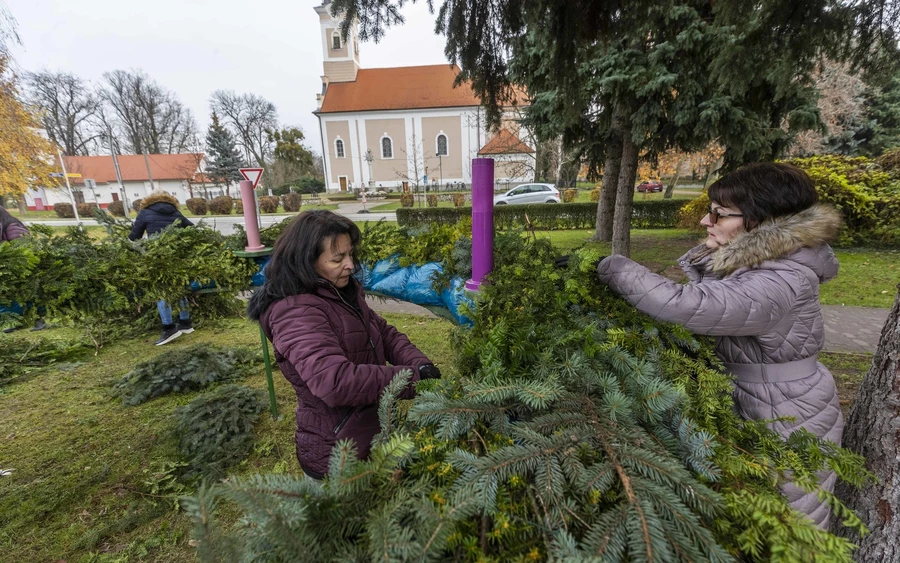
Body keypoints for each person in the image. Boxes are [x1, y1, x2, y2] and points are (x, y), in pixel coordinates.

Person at [593, 163, 843, 528]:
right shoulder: (764, 264)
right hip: (763, 398)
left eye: (718, 214)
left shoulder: (782, 278)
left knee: (792, 525)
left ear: (762, 221)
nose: (705, 221)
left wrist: (612, 268)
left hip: (787, 415)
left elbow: (691, 305)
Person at [247, 210, 441, 480]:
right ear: (306, 261)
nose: (351, 265)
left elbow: (381, 331)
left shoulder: (340, 292)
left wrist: (419, 363)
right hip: (338, 455)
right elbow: (333, 381)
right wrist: (412, 378)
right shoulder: (294, 312)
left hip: (370, 434)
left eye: (350, 254)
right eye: (338, 258)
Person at [128, 191, 195, 345]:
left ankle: (169, 327)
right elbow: (191, 229)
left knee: (161, 291)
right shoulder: (175, 212)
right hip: (177, 256)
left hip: (158, 257)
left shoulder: (145, 212)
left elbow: (134, 237)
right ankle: (185, 323)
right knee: (179, 287)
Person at [1, 206, 47, 332]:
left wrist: (11, 259)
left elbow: (25, 247)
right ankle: (13, 321)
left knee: (26, 296)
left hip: (20, 268)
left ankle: (37, 320)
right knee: (7, 297)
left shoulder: (12, 227)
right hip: (6, 270)